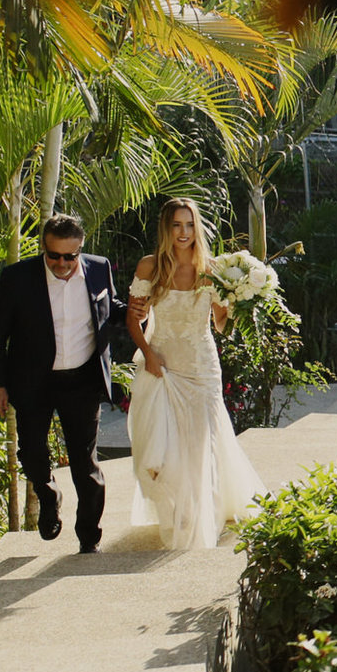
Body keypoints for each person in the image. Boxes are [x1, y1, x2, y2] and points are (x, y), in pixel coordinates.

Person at [123, 198, 267, 548]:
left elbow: (220, 325)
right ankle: (176, 509)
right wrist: (148, 353)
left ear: (196, 228)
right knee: (159, 449)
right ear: (166, 228)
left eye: (189, 225)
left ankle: (200, 514)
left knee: (199, 445)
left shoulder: (213, 269)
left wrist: (232, 307)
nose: (184, 232)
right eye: (176, 225)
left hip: (201, 367)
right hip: (162, 366)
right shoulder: (150, 267)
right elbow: (134, 318)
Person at [0, 213, 122, 552]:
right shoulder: (17, 278)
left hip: (82, 380)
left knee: (84, 463)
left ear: (80, 250)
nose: (61, 263)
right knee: (31, 454)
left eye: (69, 256)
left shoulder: (99, 268)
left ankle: (89, 537)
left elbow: (110, 308)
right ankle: (48, 495)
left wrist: (137, 310)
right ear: (44, 248)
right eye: (53, 255)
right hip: (33, 380)